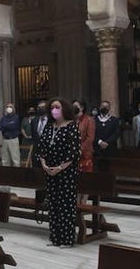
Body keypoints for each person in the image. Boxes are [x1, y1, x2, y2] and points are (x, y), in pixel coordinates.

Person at [36, 98, 81, 247]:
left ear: (64, 109)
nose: (54, 109)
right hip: (49, 171)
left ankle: (67, 239)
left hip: (66, 172)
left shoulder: (71, 127)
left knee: (65, 206)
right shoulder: (49, 126)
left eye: (57, 107)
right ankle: (55, 237)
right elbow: (42, 147)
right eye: (52, 107)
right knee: (53, 205)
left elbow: (74, 152)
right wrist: (44, 164)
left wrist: (60, 167)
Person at [73, 99, 95, 173]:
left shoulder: (89, 120)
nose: (73, 108)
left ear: (82, 108)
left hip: (84, 153)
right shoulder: (71, 120)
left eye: (75, 106)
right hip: (71, 154)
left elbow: (90, 138)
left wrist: (79, 149)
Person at [0, 102, 22, 167]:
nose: (9, 108)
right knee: (5, 160)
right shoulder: (4, 118)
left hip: (13, 140)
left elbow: (13, 126)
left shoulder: (16, 117)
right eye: (7, 107)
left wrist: (5, 125)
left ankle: (16, 175)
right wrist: (8, 125)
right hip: (5, 140)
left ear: (13, 108)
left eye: (10, 107)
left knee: (15, 160)